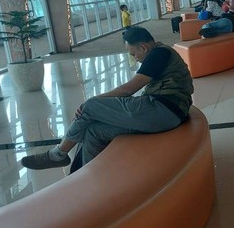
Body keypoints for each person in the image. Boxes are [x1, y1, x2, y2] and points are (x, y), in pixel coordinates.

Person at [21, 26, 194, 170]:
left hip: (162, 110)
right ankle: (82, 179)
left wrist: (94, 101)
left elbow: (129, 89)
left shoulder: (158, 54)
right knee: (94, 131)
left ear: (143, 47)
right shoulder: (159, 53)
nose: (136, 59)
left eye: (134, 54)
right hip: (166, 114)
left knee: (90, 106)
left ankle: (57, 154)